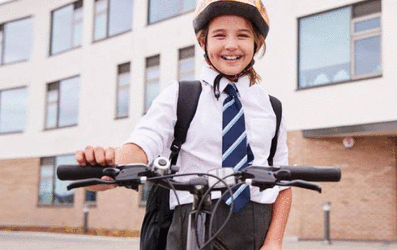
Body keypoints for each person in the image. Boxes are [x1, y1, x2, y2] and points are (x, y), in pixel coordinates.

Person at [76, 0, 292, 249]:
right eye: (219, 35)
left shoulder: (272, 108)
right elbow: (143, 144)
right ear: (204, 42)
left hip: (256, 228)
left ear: (255, 44)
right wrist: (108, 164)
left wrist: (274, 241)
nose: (231, 45)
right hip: (191, 223)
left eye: (242, 35)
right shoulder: (181, 96)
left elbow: (282, 184)